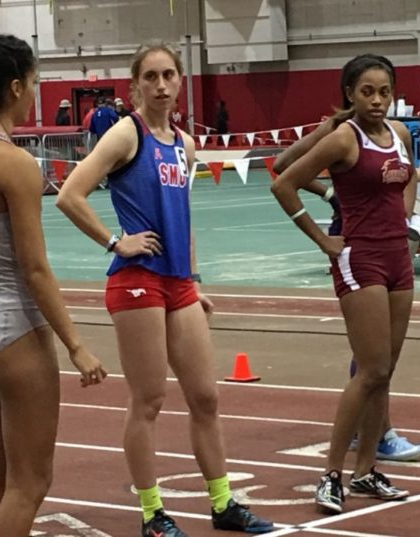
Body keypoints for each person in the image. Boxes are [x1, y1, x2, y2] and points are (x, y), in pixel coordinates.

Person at [56, 40, 275, 536]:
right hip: (137, 283)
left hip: (178, 284)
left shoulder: (185, 143)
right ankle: (153, 514)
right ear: (135, 85)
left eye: (168, 76)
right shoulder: (124, 136)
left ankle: (222, 504)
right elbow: (70, 194)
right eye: (150, 77)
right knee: (149, 400)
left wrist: (195, 282)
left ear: (180, 82)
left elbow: (185, 217)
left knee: (206, 398)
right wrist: (117, 241)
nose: (160, 85)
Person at [0, 34, 107, 536]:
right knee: (31, 483)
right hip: (14, 328)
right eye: (35, 83)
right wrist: (76, 345)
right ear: (16, 87)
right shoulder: (14, 163)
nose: (35, 94)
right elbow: (35, 269)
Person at [272, 53, 417, 514]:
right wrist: (323, 240)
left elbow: (408, 177)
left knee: (384, 373)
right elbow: (284, 182)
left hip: (399, 257)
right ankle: (331, 475)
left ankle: (367, 471)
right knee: (370, 369)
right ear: (350, 94)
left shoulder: (399, 133)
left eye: (385, 92)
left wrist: (409, 213)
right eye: (367, 92)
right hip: (362, 258)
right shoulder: (342, 139)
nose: (377, 100)